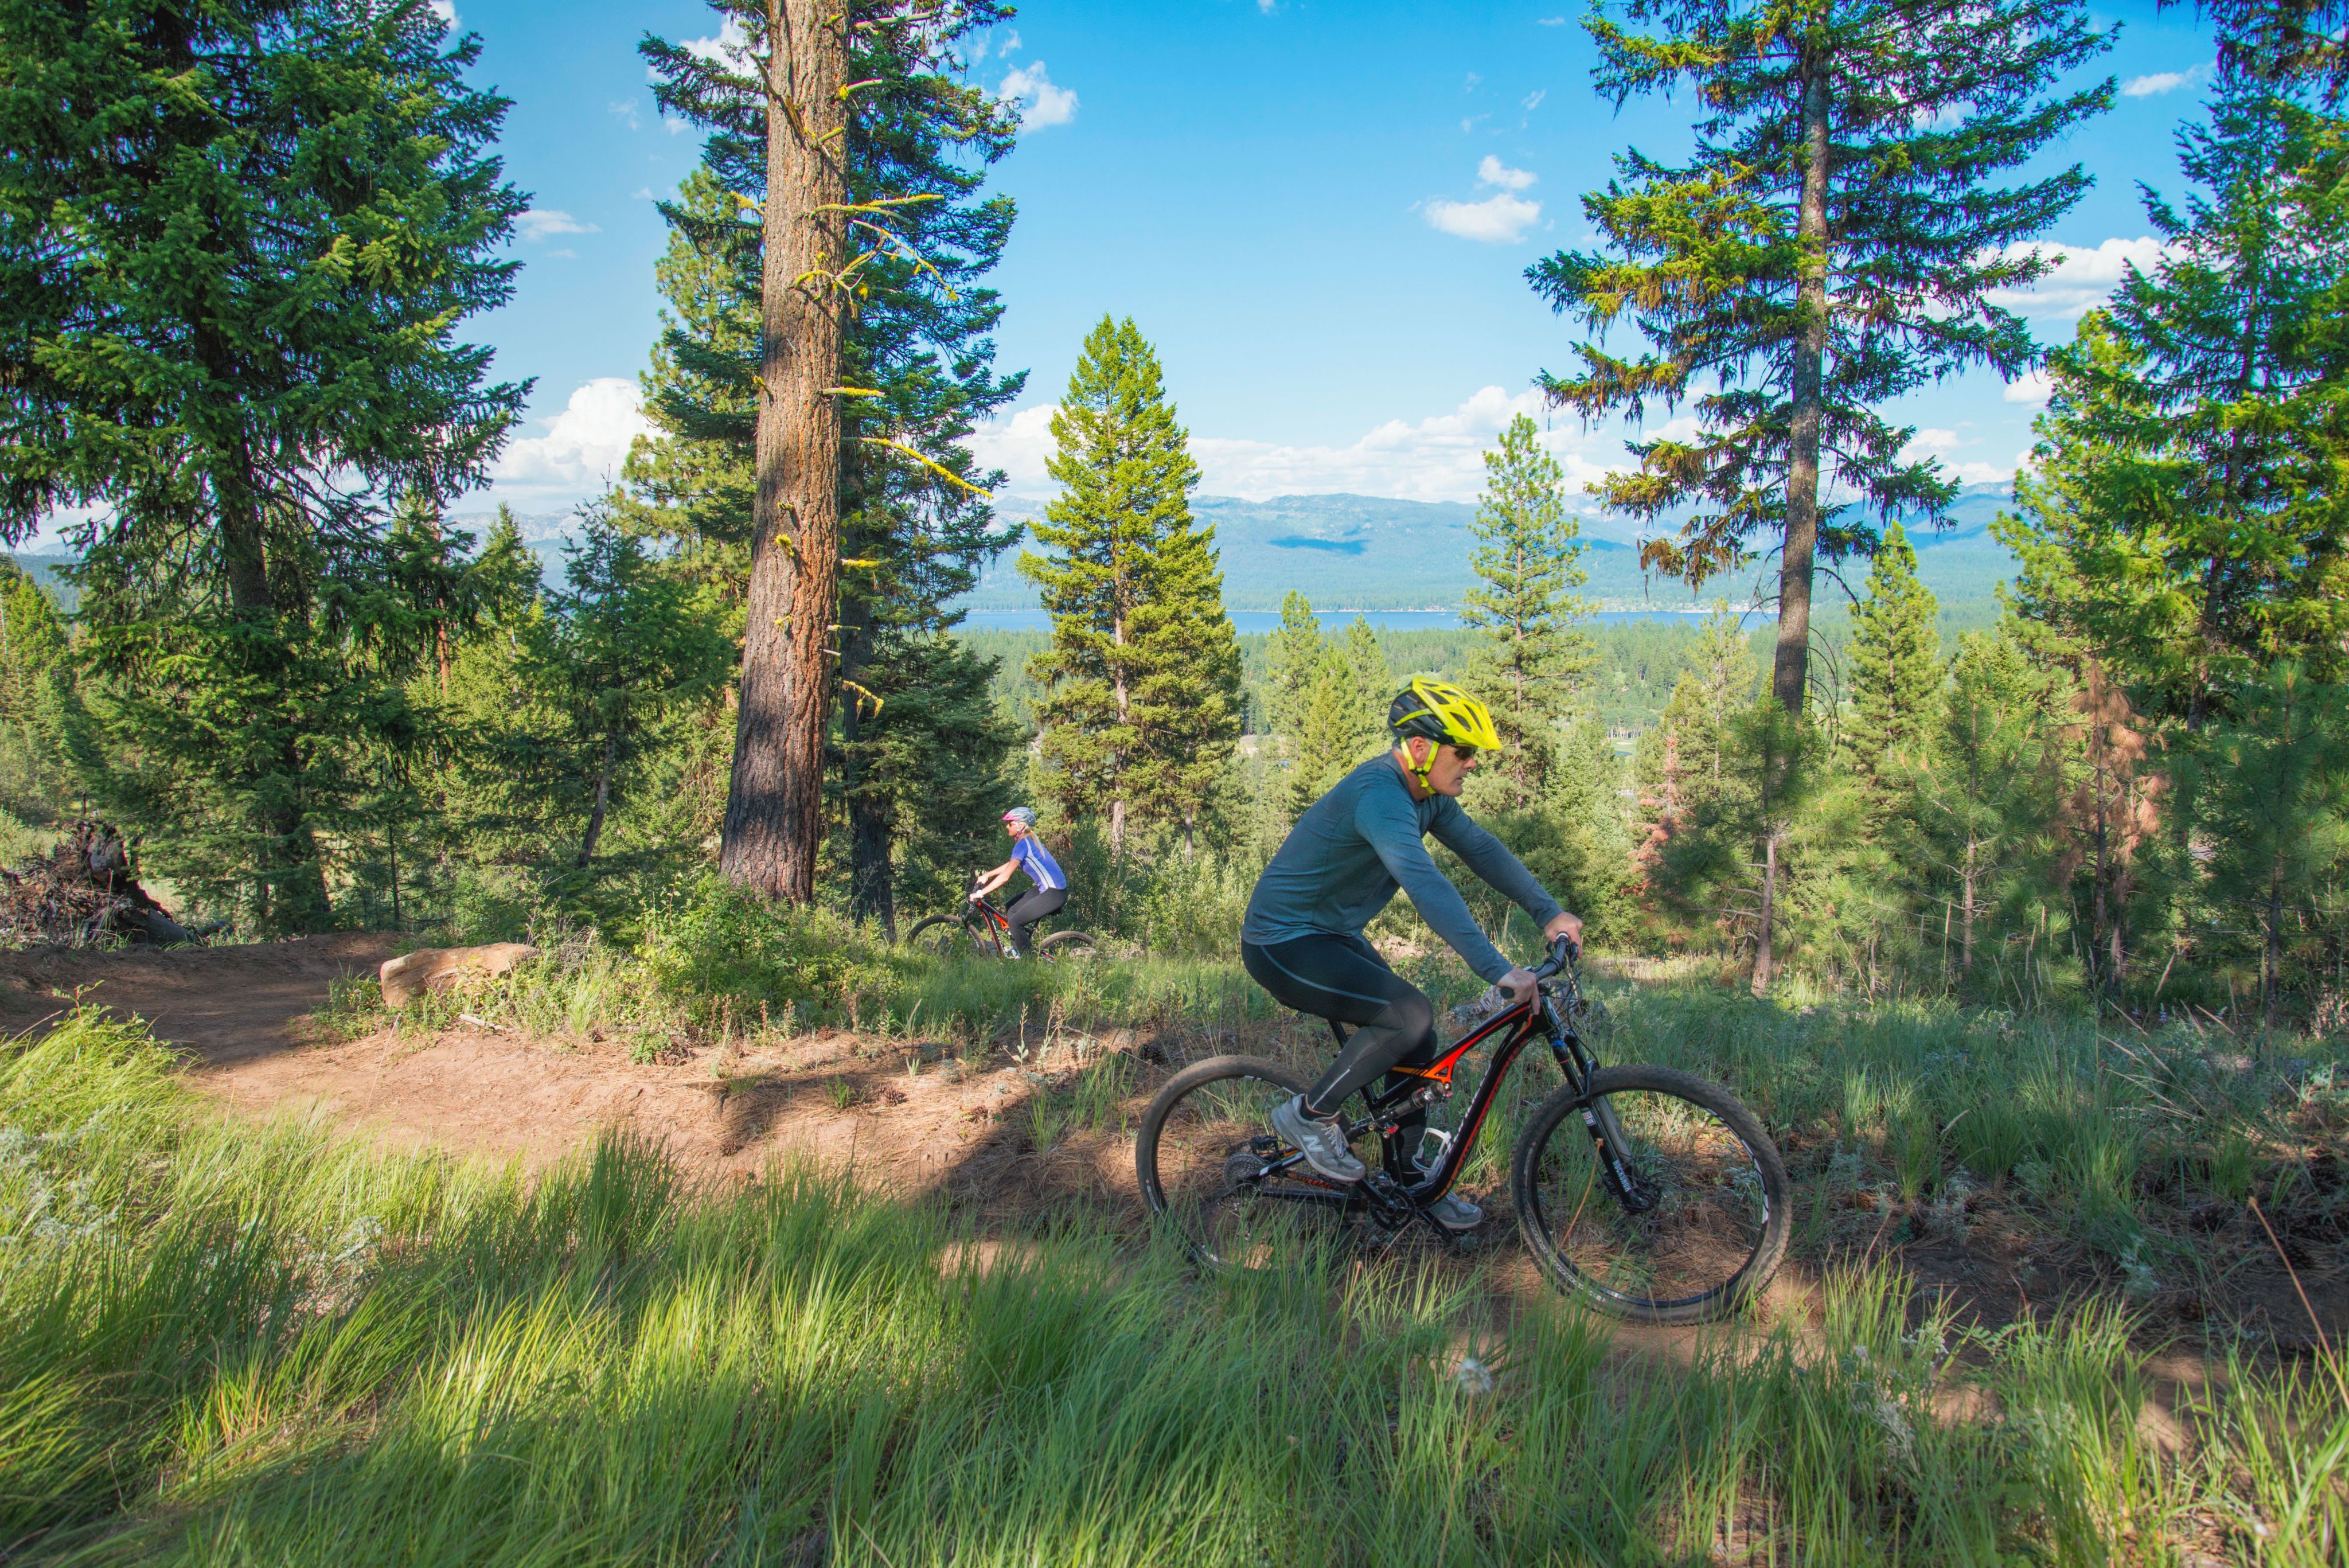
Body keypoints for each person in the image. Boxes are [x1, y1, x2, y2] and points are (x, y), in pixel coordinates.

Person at [1242, 677, 1583, 1230]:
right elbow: (1425, 884)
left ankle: (1412, 1184)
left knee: (1418, 1038)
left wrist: (1549, 912)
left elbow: (1482, 850)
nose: (1472, 763)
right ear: (1420, 749)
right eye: (1463, 751)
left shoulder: (1428, 797)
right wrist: (1498, 970)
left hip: (1332, 935)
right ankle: (1309, 1115)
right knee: (1408, 1016)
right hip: (1282, 942)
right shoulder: (1381, 795)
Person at [971, 806, 1068, 958]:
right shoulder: (1028, 841)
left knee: (1016, 923)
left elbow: (1005, 877)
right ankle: (1017, 953)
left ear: (1021, 826)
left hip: (1054, 893)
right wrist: (988, 875)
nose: (1007, 827)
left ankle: (1028, 961)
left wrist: (981, 893)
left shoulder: (1024, 843)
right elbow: (1012, 864)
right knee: (1011, 908)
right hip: (1048, 890)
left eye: (1010, 824)